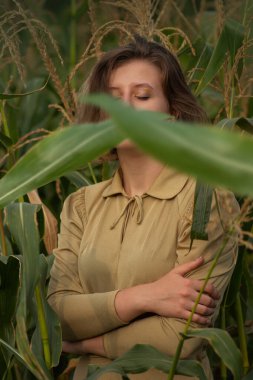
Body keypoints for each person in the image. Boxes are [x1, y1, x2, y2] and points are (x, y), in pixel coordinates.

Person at [47, 35, 239, 380]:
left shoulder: (205, 198)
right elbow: (57, 315)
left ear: (173, 110)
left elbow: (182, 338)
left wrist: (83, 344)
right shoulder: (81, 204)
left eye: (142, 96)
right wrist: (146, 296)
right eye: (113, 98)